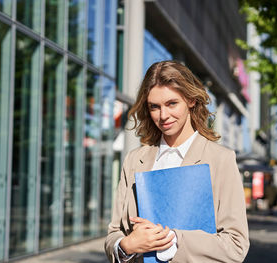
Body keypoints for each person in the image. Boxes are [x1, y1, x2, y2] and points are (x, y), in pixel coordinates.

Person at [104, 61, 249, 262]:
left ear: (191, 100)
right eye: (154, 107)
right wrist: (127, 245)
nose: (163, 116)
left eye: (172, 104)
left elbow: (236, 245)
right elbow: (114, 234)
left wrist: (172, 240)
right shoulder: (134, 160)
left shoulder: (220, 159)